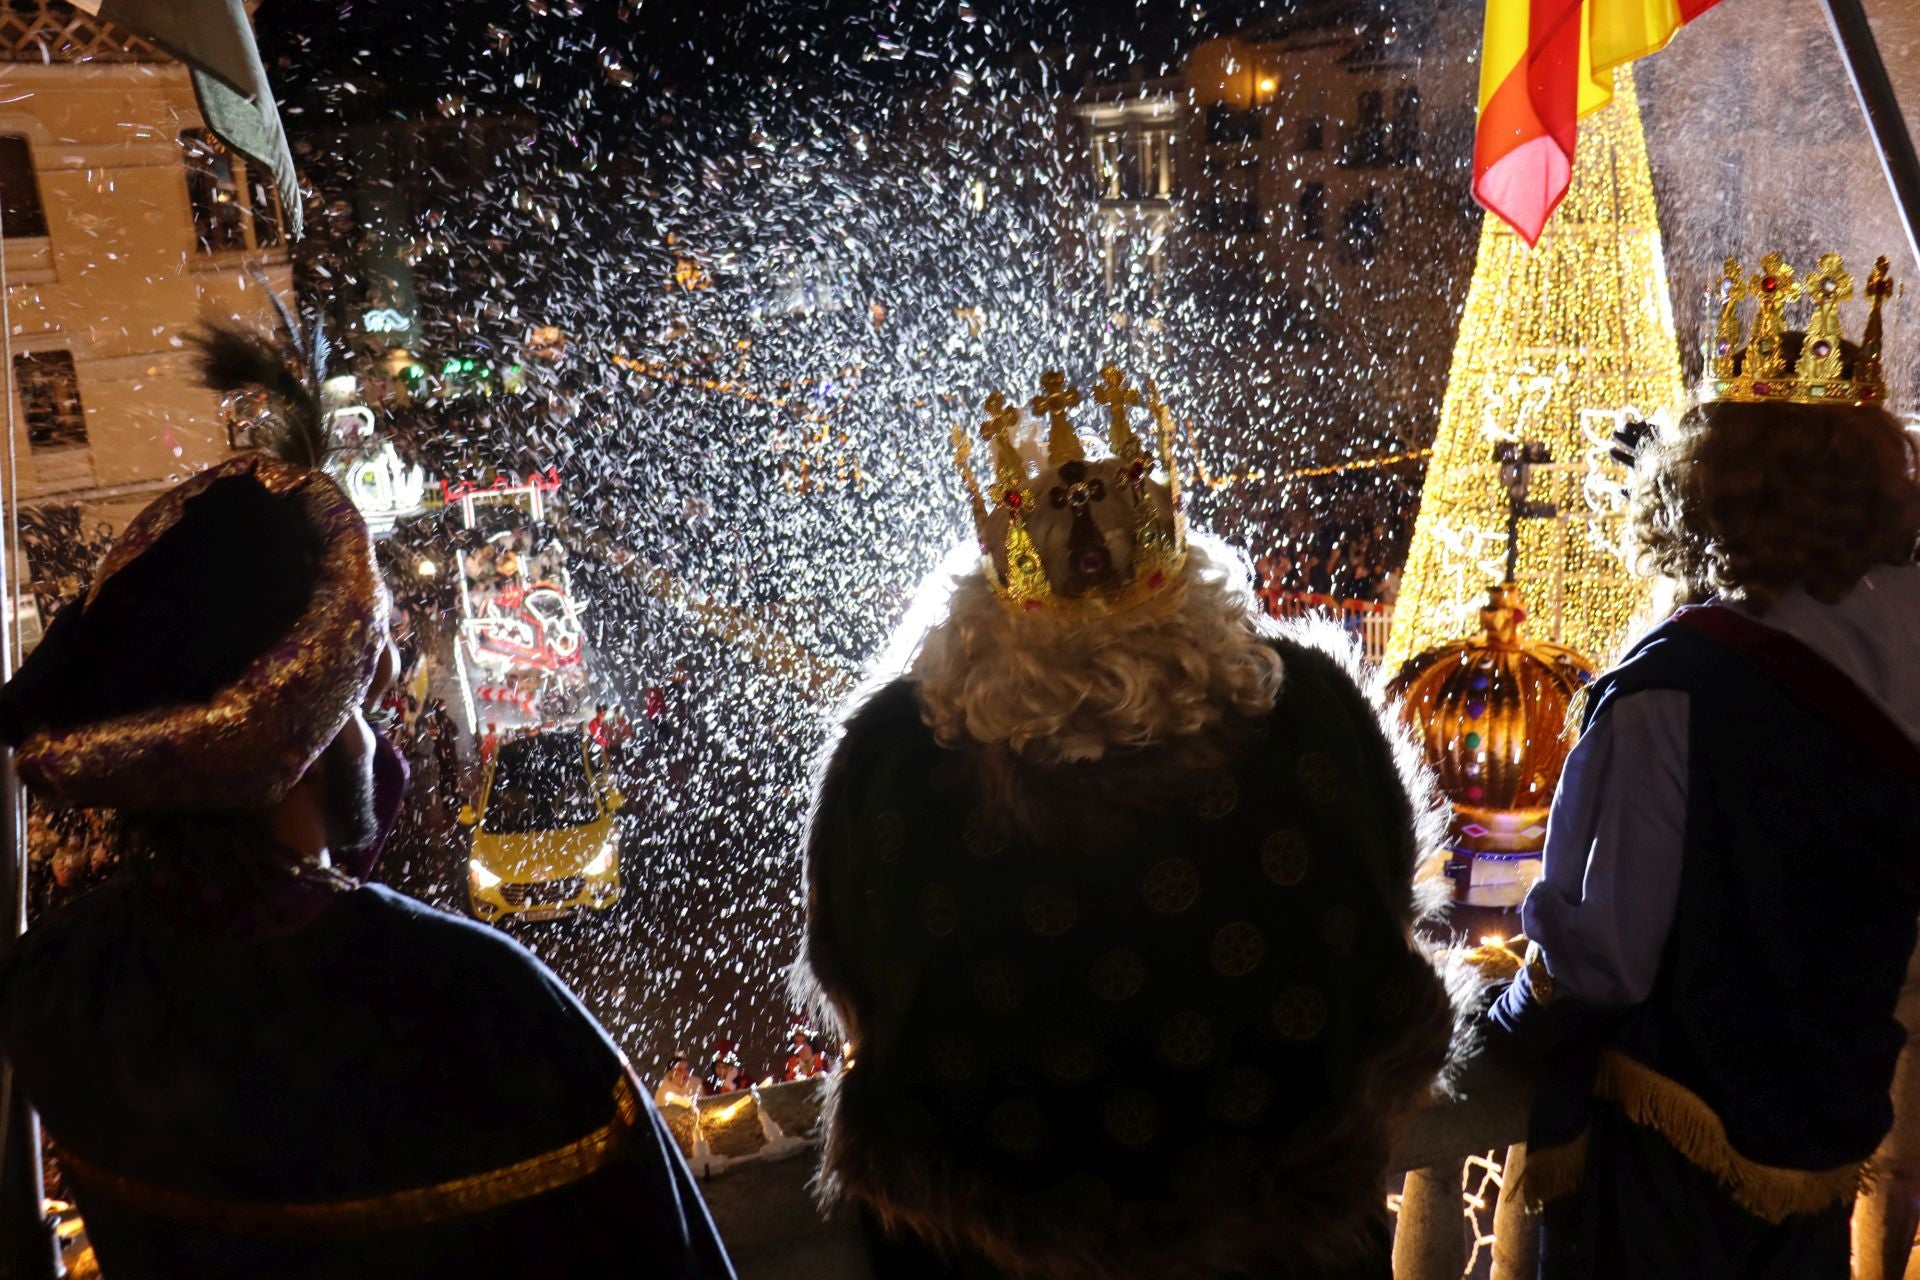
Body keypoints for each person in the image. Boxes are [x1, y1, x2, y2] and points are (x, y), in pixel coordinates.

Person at [0, 328, 736, 1280]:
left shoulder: (65, 982)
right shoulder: (479, 1003)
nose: (376, 738)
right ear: (289, 737)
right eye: (354, 707)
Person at [795, 370, 1459, 1280]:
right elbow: (1389, 921)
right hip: (1283, 1237)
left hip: (988, 1249)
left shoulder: (894, 761)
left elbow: (849, 979)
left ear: (990, 603)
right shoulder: (1309, 718)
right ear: (1181, 577)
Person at [1484, 283, 1920, 1280]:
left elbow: (1601, 955)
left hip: (1669, 1171)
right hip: (1824, 1135)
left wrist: (1500, 1026)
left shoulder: (1668, 686)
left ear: (1704, 483)